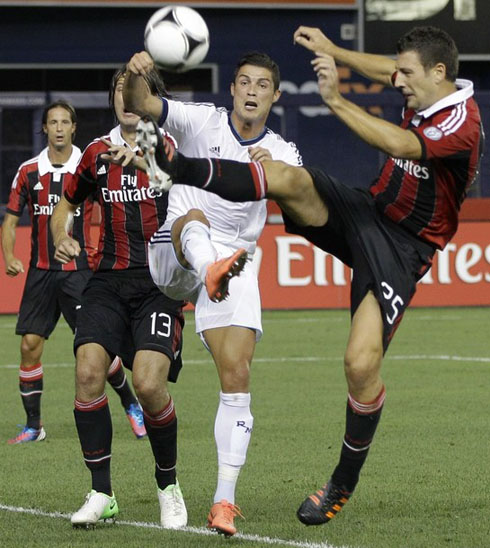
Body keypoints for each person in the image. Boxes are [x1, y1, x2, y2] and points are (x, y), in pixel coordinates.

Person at [135, 26, 484, 525]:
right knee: (288, 176)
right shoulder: (424, 85)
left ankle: (341, 484)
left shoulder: (462, 122)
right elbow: (386, 68)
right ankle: (182, 166)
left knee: (360, 367)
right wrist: (334, 51)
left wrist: (336, 100)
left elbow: (404, 145)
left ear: (439, 74)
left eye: (406, 73)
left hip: (405, 248)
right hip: (369, 211)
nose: (397, 80)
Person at [122, 50, 302, 536]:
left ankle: (224, 501)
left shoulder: (282, 152)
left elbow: (302, 196)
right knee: (194, 219)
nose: (250, 90)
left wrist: (276, 178)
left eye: (262, 85)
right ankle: (210, 267)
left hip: (238, 257)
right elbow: (143, 106)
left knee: (237, 375)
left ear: (275, 96)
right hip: (175, 254)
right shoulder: (202, 121)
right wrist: (137, 74)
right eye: (243, 81)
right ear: (233, 89)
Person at [50, 68, 187, 529]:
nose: (127, 99)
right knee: (88, 372)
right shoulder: (93, 154)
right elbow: (66, 204)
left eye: (137, 92)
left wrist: (144, 158)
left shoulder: (170, 148)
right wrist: (59, 235)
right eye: (120, 92)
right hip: (106, 282)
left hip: (159, 284)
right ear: (112, 100)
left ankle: (168, 485)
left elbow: (189, 190)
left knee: (148, 385)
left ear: (153, 99)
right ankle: (101, 493)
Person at [1, 100, 146, 445]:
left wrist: (101, 251)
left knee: (98, 350)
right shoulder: (28, 172)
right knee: (29, 345)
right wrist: (8, 255)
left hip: (79, 273)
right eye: (54, 122)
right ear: (45, 128)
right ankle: (34, 426)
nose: (60, 128)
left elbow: (106, 208)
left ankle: (131, 405)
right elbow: (9, 221)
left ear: (74, 128)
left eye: (66, 121)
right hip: (40, 273)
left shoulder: (89, 165)